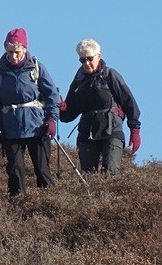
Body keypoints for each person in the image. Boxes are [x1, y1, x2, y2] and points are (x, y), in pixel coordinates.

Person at [0, 27, 60, 197]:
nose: (13, 56)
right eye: (10, 51)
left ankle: (50, 205)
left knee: (42, 170)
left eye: (17, 51)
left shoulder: (36, 68)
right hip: (10, 129)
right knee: (15, 172)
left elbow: (52, 95)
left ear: (24, 49)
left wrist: (51, 119)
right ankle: (17, 209)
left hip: (37, 126)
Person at [59, 38, 141, 176]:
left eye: (90, 58)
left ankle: (111, 198)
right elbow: (69, 115)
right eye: (82, 60)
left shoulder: (110, 75)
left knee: (111, 172)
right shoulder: (78, 81)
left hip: (112, 130)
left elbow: (129, 102)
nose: (86, 63)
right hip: (87, 133)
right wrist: (61, 107)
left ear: (99, 56)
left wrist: (135, 130)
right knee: (87, 175)